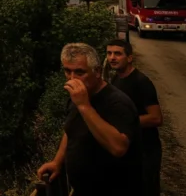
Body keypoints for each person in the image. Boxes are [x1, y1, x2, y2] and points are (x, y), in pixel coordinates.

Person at [38, 43, 143, 196]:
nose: (72, 79)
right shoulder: (79, 96)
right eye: (68, 71)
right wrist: (57, 162)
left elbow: (118, 147)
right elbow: (71, 129)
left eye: (80, 72)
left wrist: (84, 106)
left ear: (97, 72)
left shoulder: (117, 103)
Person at [106, 40, 162, 196]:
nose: (112, 58)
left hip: (146, 151)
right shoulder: (116, 80)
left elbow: (156, 118)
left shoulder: (141, 82)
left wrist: (124, 123)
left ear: (129, 58)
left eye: (118, 53)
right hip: (129, 151)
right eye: (109, 53)